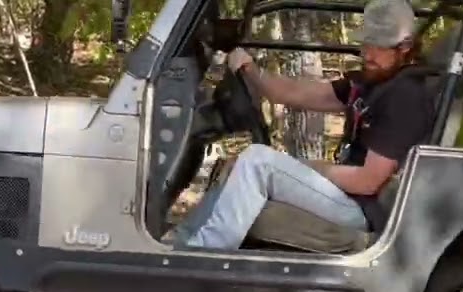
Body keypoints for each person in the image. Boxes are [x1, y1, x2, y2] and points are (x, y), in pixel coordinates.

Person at [166, 0, 435, 250]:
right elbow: (294, 93)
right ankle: (179, 243)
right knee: (241, 164)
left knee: (257, 161)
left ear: (405, 47)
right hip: (344, 195)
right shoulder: (372, 82)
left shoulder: (405, 96)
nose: (368, 53)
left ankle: (207, 253)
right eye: (367, 44)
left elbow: (368, 182)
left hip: (361, 208)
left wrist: (310, 168)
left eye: (379, 46)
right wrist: (249, 68)